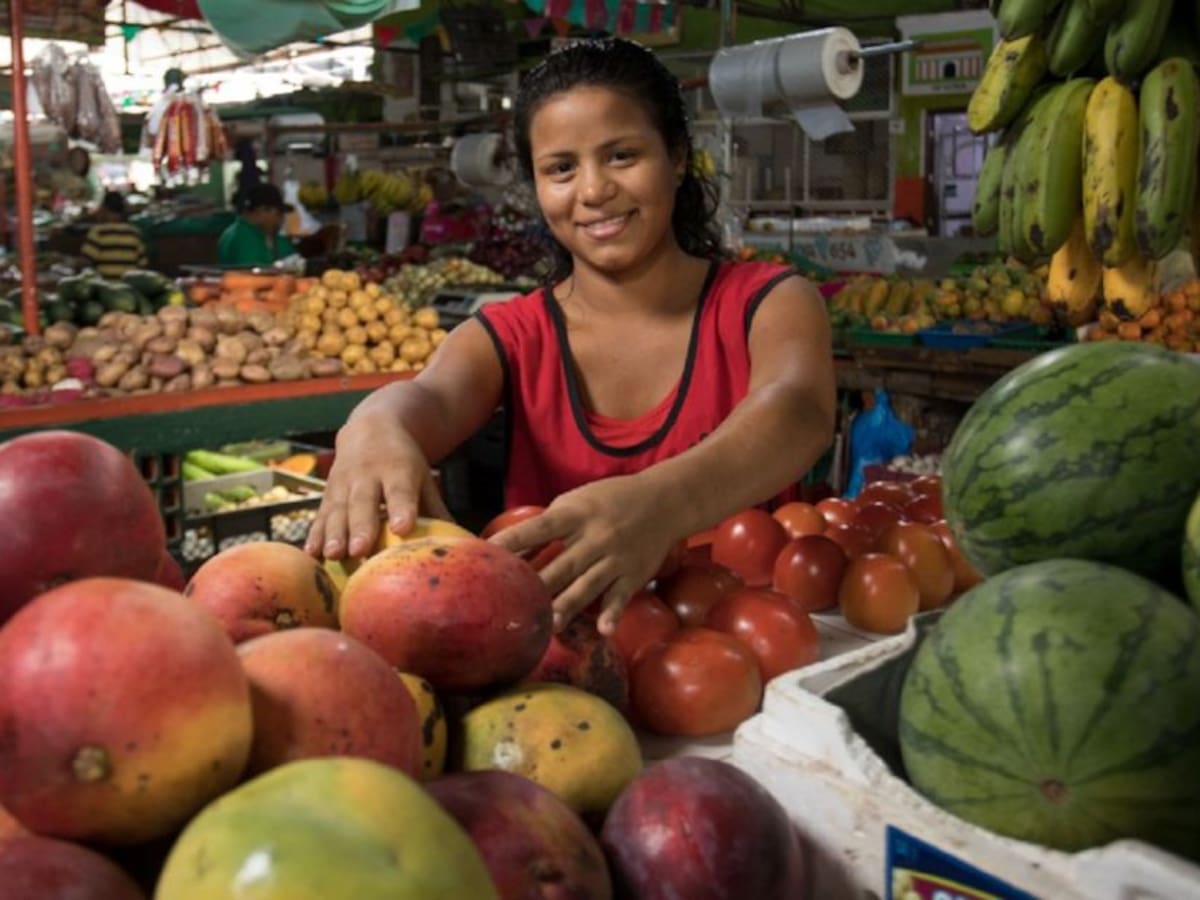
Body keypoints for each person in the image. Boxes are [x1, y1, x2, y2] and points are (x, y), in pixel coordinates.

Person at [306, 38, 836, 635]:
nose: (592, 191)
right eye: (561, 168)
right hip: (560, 682)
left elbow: (797, 411)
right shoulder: (512, 334)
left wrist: (662, 504)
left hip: (756, 672)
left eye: (622, 156)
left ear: (679, 157)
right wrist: (375, 423)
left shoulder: (768, 303)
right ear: (535, 185)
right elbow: (428, 397)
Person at [217, 182, 297, 267]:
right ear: (262, 211)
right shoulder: (243, 238)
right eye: (278, 214)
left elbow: (290, 258)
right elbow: (255, 274)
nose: (280, 220)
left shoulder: (269, 234)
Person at [81, 191, 148, 278]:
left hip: (105, 288)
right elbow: (142, 263)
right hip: (128, 287)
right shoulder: (134, 233)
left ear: (105, 209)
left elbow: (86, 262)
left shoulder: (98, 232)